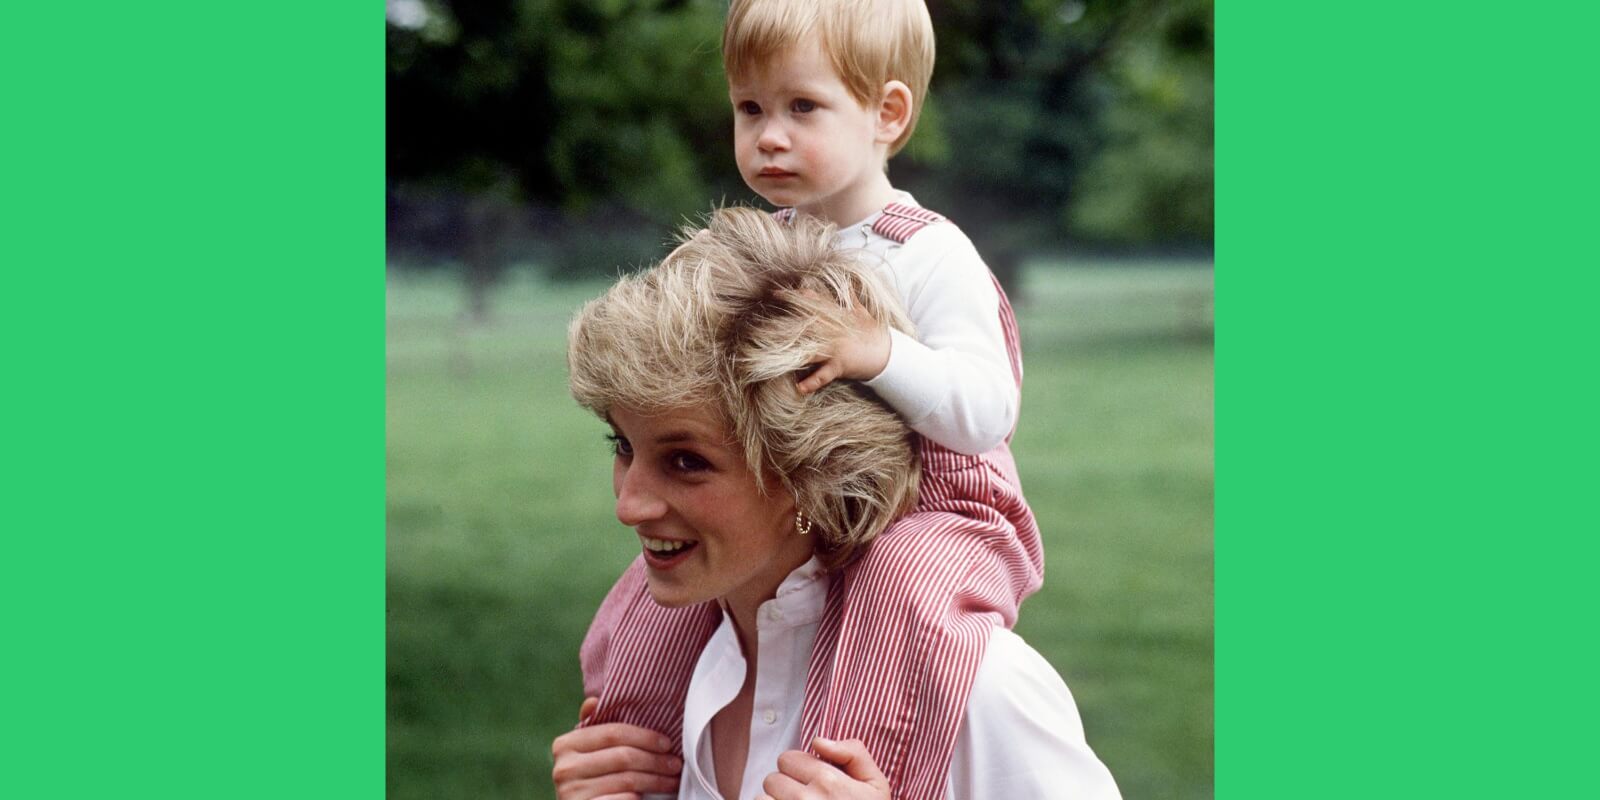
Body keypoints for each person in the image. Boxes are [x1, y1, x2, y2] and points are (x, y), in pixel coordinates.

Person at [581, 3, 1053, 796]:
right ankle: (637, 753)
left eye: (802, 107)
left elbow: (984, 412)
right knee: (642, 602)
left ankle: (862, 766)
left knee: (900, 582)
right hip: (823, 505)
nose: (769, 135)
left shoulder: (927, 251)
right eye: (750, 108)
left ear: (887, 113)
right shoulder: (770, 238)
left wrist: (882, 353)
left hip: (941, 506)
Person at [552, 208, 1118, 799]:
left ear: (815, 472)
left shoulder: (981, 689)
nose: (630, 505)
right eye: (622, 445)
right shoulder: (664, 690)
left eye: (687, 462)